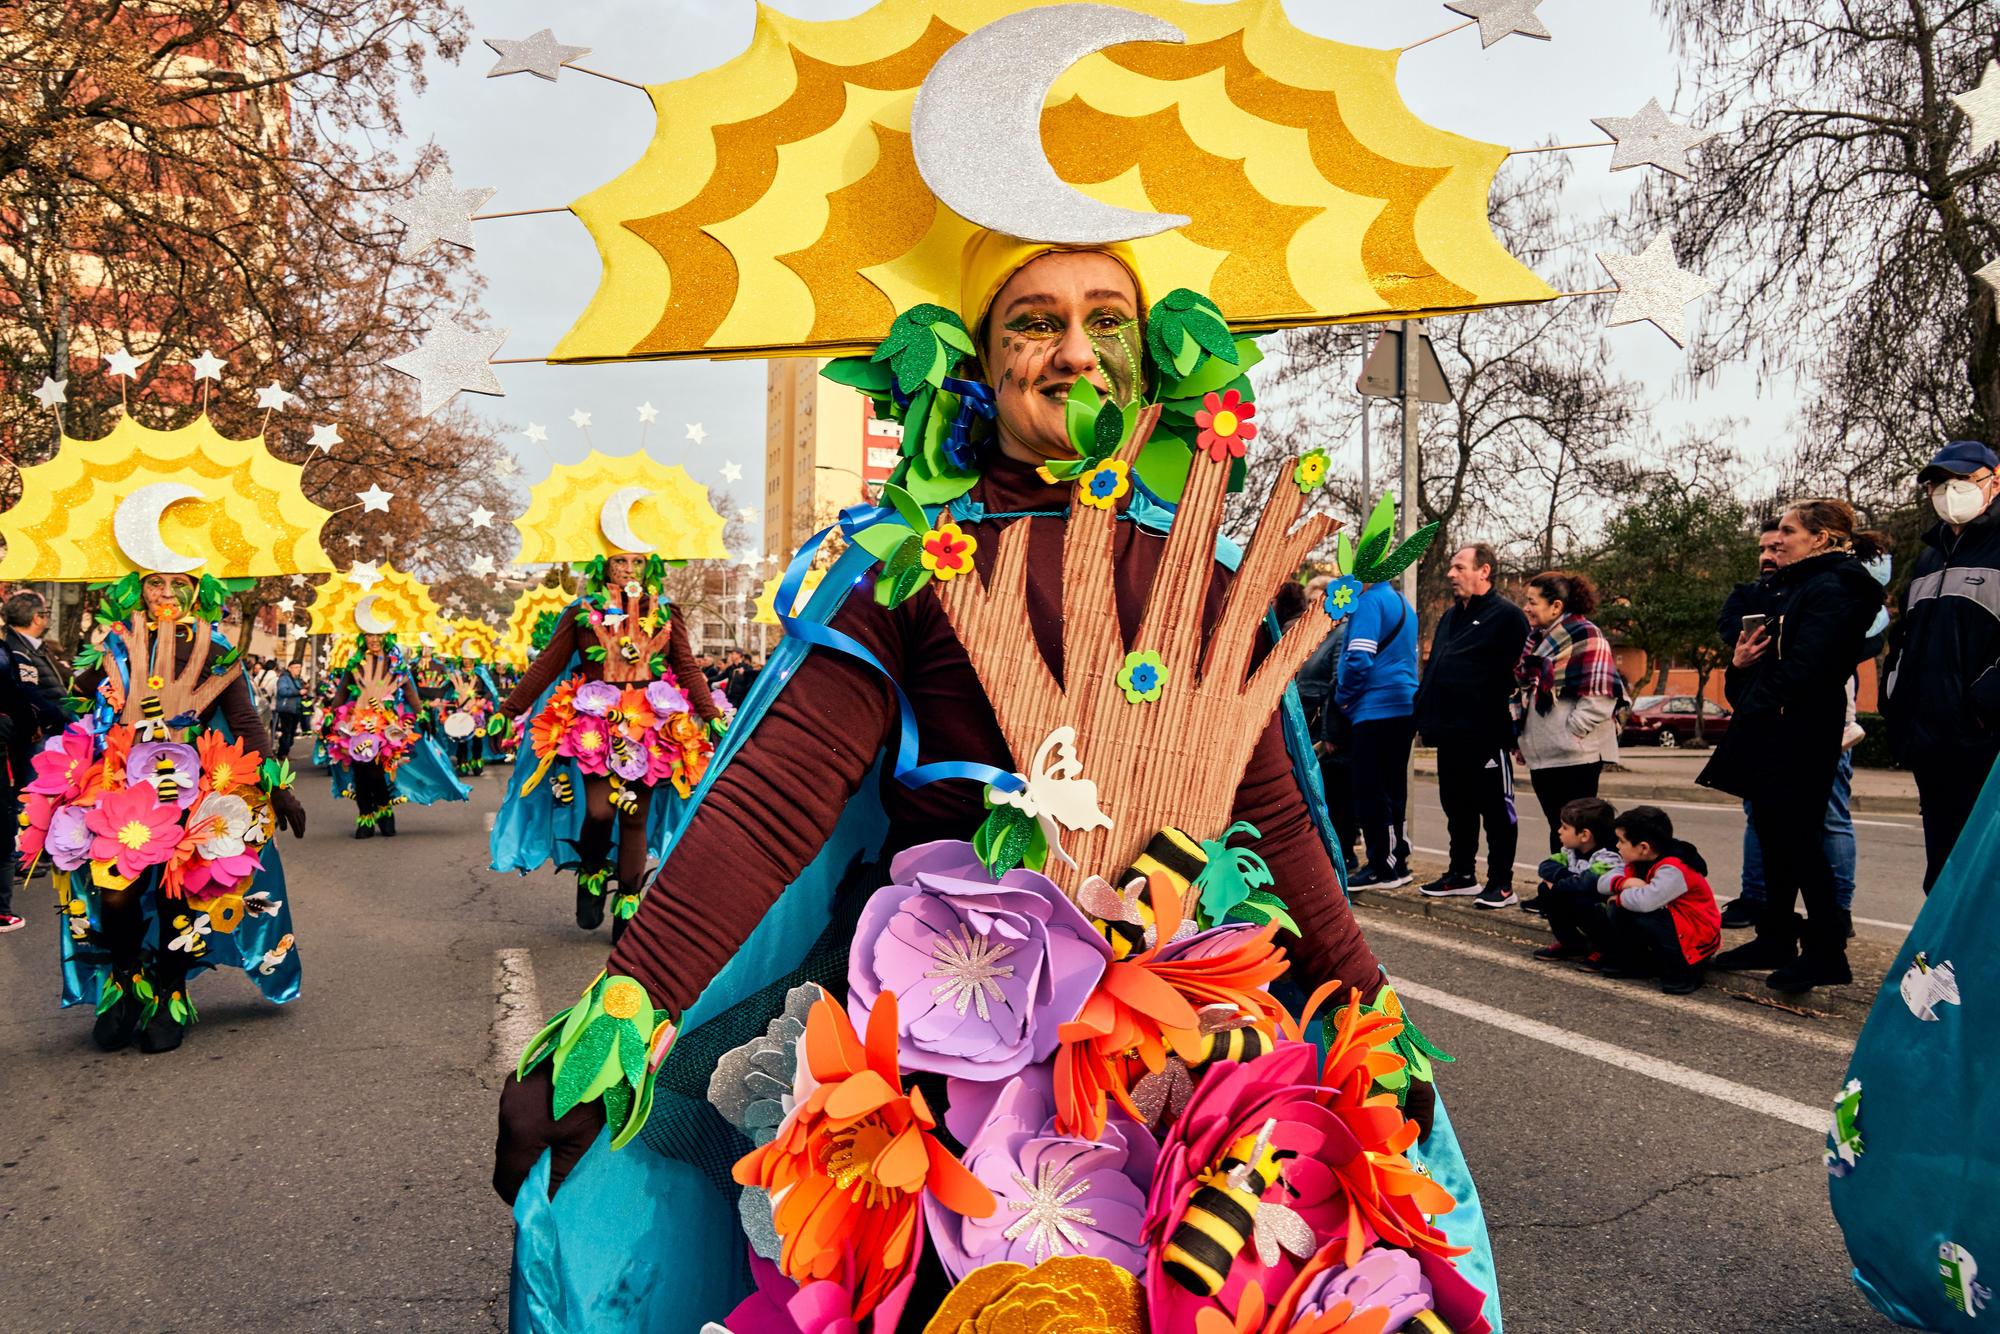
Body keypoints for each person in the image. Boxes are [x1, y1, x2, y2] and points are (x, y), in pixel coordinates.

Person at [493, 234, 1498, 1331]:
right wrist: (623, 1011)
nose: (1073, 351)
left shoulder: (1203, 567)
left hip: (1189, 1067)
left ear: (1153, 353)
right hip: (956, 1067)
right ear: (975, 364)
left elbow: (1271, 821)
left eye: (1105, 318)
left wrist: (1368, 1014)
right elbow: (775, 799)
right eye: (1034, 322)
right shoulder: (909, 561)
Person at [57, 572, 308, 1052]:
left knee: (178, 896)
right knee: (115, 893)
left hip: (185, 788)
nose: (166, 593)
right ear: (137, 588)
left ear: (197, 590)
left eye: (177, 582)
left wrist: (276, 788)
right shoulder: (115, 641)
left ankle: (170, 992)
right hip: (121, 789)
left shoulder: (213, 650)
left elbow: (244, 722)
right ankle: (127, 985)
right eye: (154, 582)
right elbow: (74, 698)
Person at [1702, 500, 1885, 990]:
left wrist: (1758, 697)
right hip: (1774, 726)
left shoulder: (1839, 587)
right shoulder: (1795, 585)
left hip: (1801, 731)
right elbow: (1756, 670)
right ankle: (1776, 936)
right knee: (1774, 836)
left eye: (1788, 531)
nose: (1777, 540)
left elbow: (1808, 668)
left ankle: (1827, 951)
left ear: (1821, 538)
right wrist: (1740, 667)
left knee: (1802, 840)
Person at [494, 553, 723, 936]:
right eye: (620, 561)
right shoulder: (581, 613)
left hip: (650, 726)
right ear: (604, 566)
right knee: (599, 813)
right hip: (595, 722)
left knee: (635, 819)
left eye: (637, 561)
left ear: (650, 567)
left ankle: (628, 910)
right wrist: (509, 708)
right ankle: (591, 876)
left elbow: (686, 666)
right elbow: (548, 664)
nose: (629, 569)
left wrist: (711, 714)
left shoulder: (666, 612)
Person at [1884, 439, 2000, 890]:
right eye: (1939, 483)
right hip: (1932, 741)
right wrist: (1897, 700)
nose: (1949, 492)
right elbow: (1905, 639)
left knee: (1985, 874)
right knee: (1944, 873)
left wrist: (1984, 704)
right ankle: (1942, 961)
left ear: (1993, 480)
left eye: (1962, 481)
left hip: (1984, 742)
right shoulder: (1929, 556)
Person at [1414, 543, 1530, 907]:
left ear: (1484, 571)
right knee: (1456, 806)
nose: (1451, 574)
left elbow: (1518, 673)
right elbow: (1438, 668)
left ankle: (1502, 883)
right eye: (1451, 567)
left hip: (1486, 731)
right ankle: (1461, 873)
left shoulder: (1508, 617)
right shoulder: (1451, 616)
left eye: (1459, 567)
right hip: (1450, 732)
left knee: (1495, 809)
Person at [1545, 804, 1717, 994]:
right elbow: (1603, 882)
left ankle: (1685, 970)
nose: (1617, 846)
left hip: (1695, 934)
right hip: (1673, 923)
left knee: (1632, 911)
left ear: (1643, 847)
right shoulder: (1637, 860)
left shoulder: (1674, 868)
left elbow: (1646, 902)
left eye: (1621, 841)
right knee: (1623, 911)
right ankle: (1638, 962)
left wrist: (1617, 898)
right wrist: (1623, 884)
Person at [1513, 570, 1622, 857]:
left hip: (1576, 757)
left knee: (1583, 833)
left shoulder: (1586, 635)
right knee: (1558, 829)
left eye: (1532, 601)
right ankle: (1558, 887)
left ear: (1556, 606)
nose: (1526, 607)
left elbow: (1600, 696)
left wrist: (1570, 732)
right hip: (1543, 756)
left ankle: (1586, 889)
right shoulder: (1536, 641)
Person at [1337, 571, 1419, 887]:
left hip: (1374, 707)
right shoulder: (1401, 602)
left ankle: (1380, 866)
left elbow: (1359, 657)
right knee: (1393, 789)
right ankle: (1397, 862)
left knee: (1371, 791)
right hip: (1403, 704)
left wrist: (1344, 697)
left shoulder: (1369, 602)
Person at [0, 590, 73, 932]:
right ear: (35, 618)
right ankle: (24, 854)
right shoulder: (17, 651)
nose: (46, 618)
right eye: (43, 613)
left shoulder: (25, 648)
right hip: (29, 735)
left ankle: (25, 853)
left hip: (32, 732)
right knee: (26, 797)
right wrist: (50, 722)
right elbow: (29, 696)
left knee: (25, 797)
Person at [1530, 795, 1624, 960]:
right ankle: (1572, 944)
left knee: (1580, 899)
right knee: (1545, 889)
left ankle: (1604, 949)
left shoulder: (1609, 857)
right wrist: (1564, 877)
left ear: (1584, 835)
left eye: (1565, 827)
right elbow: (1546, 866)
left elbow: (1587, 883)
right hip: (1578, 897)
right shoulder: (1571, 850)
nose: (1559, 831)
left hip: (1605, 912)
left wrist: (1560, 885)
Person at [273, 661, 305, 757]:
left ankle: (286, 753)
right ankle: (282, 753)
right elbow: (282, 691)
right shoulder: (284, 678)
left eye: (299, 667)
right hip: (286, 709)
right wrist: (298, 692)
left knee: (291, 732)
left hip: (295, 709)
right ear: (289, 668)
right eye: (295, 667)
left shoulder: (296, 679)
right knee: (286, 732)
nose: (298, 670)